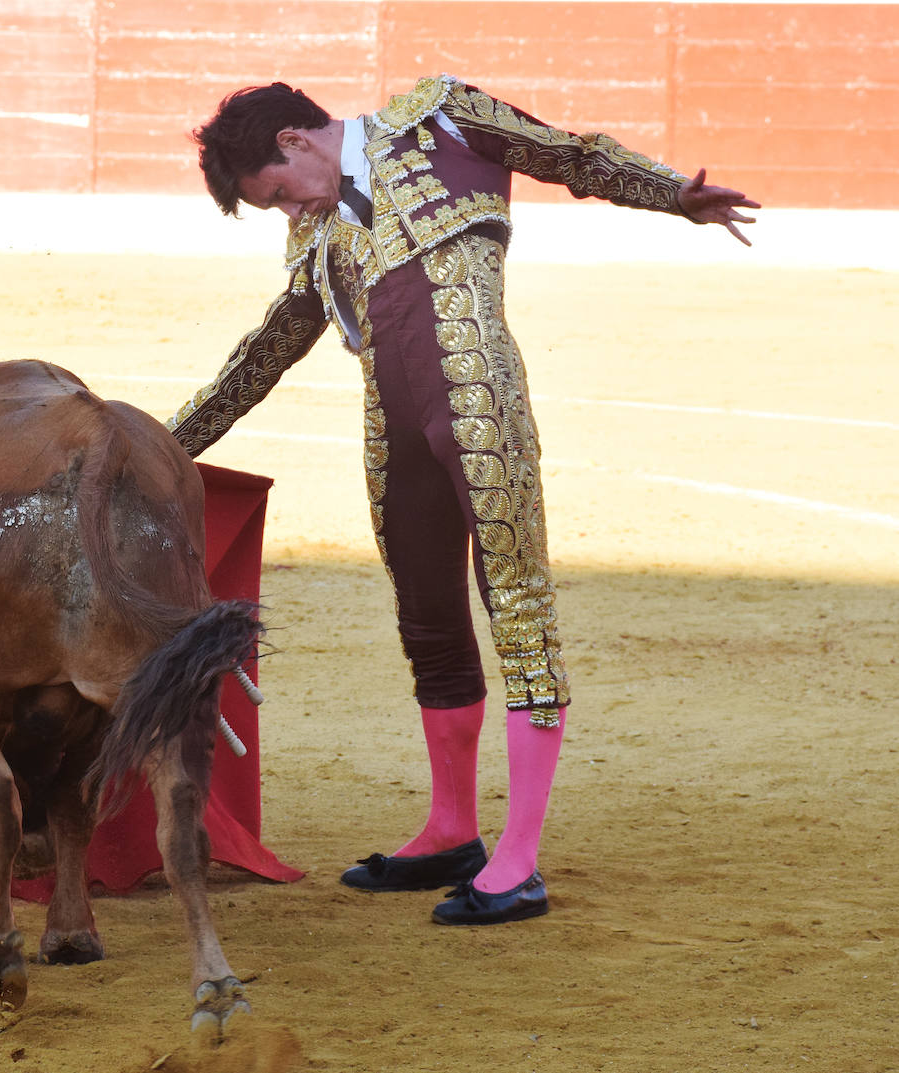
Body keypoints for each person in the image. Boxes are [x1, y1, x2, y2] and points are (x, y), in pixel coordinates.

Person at [164, 74, 759, 925]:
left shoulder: (439, 116)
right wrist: (158, 444)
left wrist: (674, 196)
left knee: (515, 603)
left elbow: (567, 154)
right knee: (429, 617)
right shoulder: (317, 236)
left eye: (278, 192)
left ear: (294, 142)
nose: (287, 210)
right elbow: (262, 355)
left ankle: (518, 859)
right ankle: (451, 829)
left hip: (482, 411)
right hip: (394, 434)